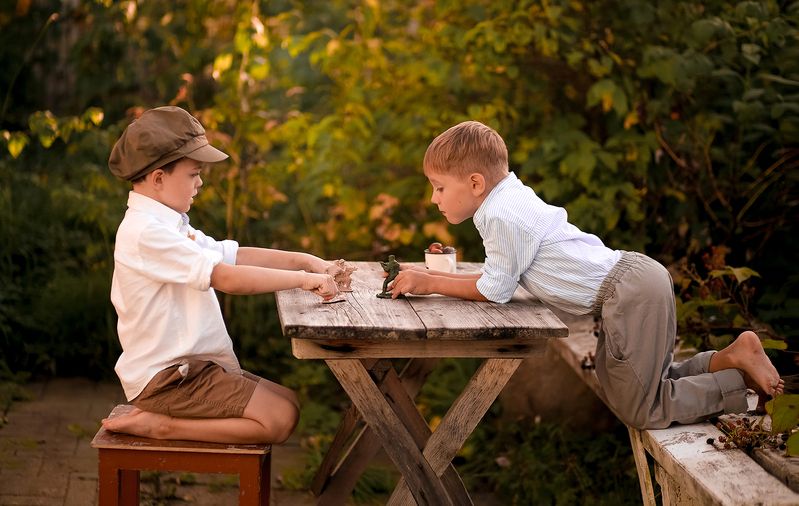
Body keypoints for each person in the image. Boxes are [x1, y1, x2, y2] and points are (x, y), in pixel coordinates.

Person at [387, 120, 784, 430]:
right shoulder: (506, 196)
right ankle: (731, 359)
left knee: (641, 408)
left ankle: (739, 385)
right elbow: (495, 278)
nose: (433, 198)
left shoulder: (500, 215)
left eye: (439, 188)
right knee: (630, 383)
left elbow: (494, 291)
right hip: (631, 287)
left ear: (476, 183)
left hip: (629, 293)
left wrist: (430, 282)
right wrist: (423, 275)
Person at [102, 106, 340, 444]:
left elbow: (235, 255)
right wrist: (304, 280)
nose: (200, 183)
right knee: (280, 419)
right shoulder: (146, 233)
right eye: (193, 174)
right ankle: (162, 426)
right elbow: (227, 277)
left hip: (188, 367)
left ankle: (164, 420)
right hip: (169, 379)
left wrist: (309, 262)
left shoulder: (169, 224)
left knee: (289, 402)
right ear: (158, 178)